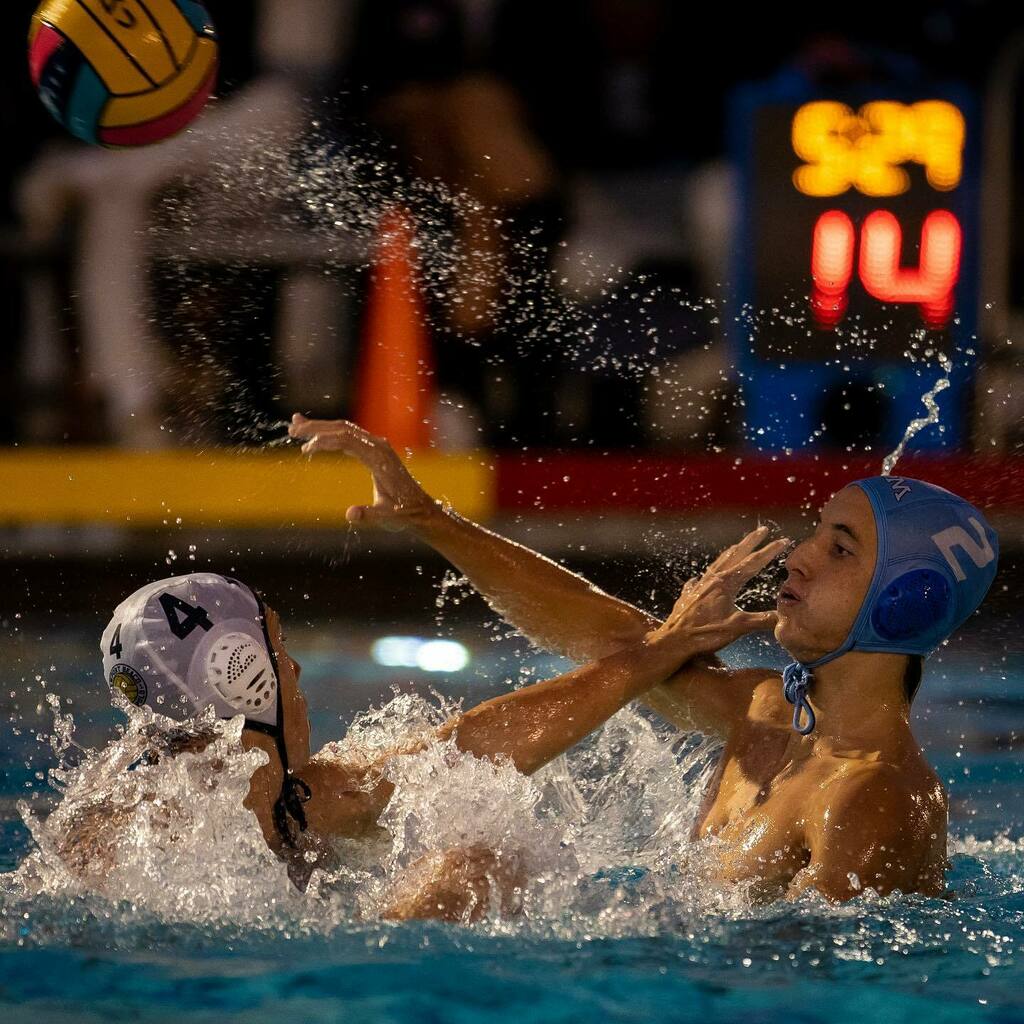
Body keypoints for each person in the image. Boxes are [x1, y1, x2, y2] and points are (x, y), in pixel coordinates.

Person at [287, 413, 1000, 902]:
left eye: (840, 548)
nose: (799, 556)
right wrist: (429, 518)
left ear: (906, 601)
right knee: (472, 869)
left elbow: (828, 990)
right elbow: (625, 650)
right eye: (815, 532)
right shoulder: (769, 712)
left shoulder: (873, 800)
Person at [91, 525, 782, 920]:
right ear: (242, 678)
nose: (295, 674)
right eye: (280, 649)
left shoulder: (295, 795)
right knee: (479, 865)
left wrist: (660, 650)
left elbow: (472, 745)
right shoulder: (140, 837)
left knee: (480, 858)